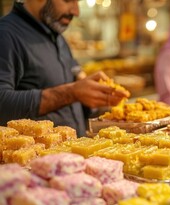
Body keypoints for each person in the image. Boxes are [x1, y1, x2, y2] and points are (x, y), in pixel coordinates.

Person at [0, 0, 129, 136]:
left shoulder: (58, 37)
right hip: (39, 156)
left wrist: (97, 99)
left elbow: (74, 74)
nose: (76, 12)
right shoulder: (5, 35)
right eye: (68, 0)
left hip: (74, 153)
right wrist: (72, 93)